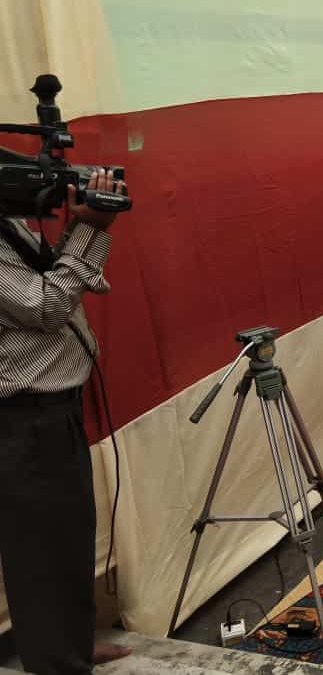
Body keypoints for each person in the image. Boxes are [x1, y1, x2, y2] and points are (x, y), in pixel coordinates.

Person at [0, 169, 131, 674]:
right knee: (38, 551)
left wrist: (81, 227)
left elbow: (50, 277)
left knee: (69, 539)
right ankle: (56, 663)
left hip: (52, 410)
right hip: (22, 417)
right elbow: (47, 304)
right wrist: (92, 229)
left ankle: (72, 645)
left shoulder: (9, 225)